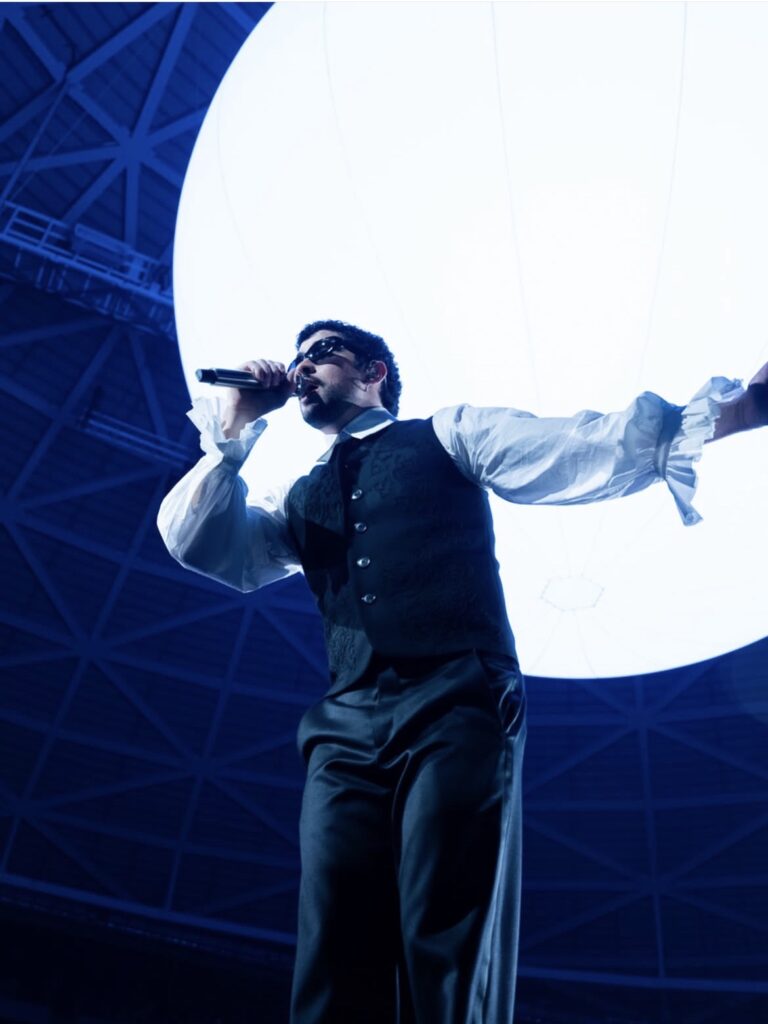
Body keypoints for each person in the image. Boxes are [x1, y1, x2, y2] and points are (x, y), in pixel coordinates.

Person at [157, 320, 767, 1024]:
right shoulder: (295, 497)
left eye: (322, 353)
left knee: (442, 920)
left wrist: (743, 410)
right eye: (297, 358)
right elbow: (200, 543)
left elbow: (581, 447)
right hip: (344, 724)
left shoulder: (448, 434)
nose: (302, 367)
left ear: (374, 373)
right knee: (332, 930)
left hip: (455, 695)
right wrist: (233, 429)